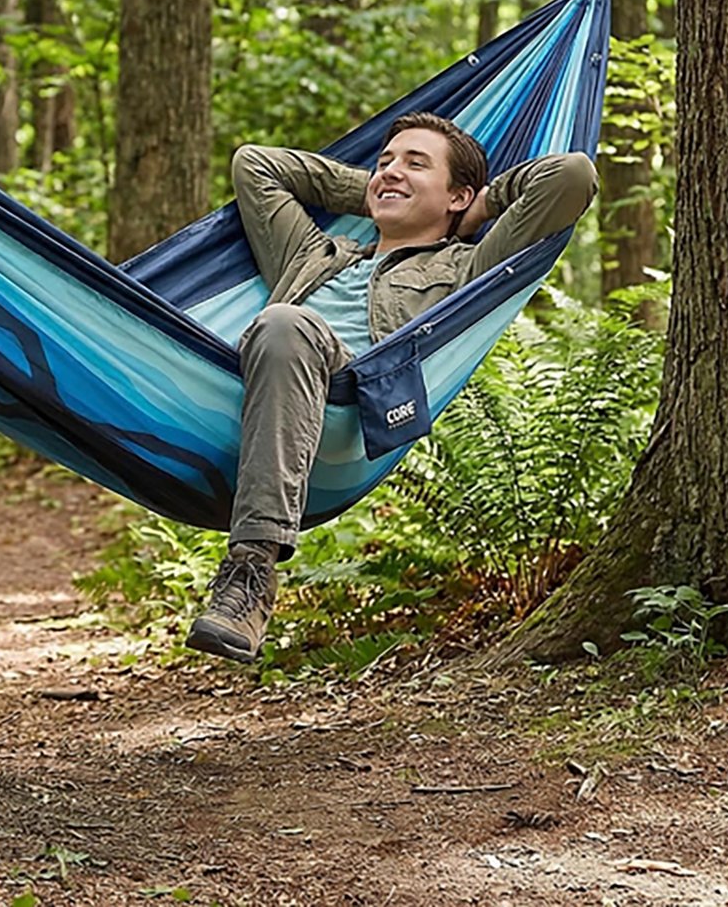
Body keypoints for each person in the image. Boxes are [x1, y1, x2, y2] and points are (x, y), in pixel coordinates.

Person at [185, 112, 597, 663]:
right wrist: (382, 188)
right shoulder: (313, 254)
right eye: (385, 162)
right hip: (261, 393)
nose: (391, 170)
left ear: (457, 195)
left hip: (348, 407)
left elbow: (571, 177)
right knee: (280, 325)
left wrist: (477, 208)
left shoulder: (466, 267)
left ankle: (251, 574)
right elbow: (255, 165)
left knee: (285, 322)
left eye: (415, 163)